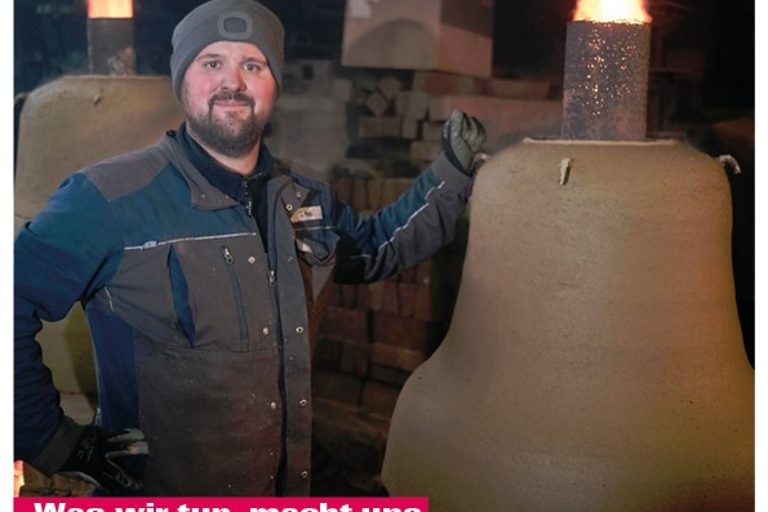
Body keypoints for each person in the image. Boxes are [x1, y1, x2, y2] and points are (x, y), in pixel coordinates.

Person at [14, 0, 486, 497]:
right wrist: (57, 443)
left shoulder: (305, 196)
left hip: (286, 484)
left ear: (274, 85)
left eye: (253, 65)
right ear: (184, 79)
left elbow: (373, 249)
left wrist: (451, 175)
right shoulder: (108, 199)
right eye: (212, 62)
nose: (232, 83)